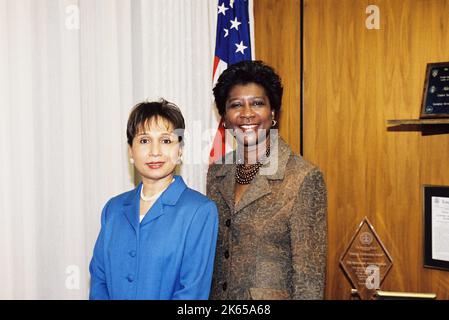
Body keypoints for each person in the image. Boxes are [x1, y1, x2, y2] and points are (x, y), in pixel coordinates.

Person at [207, 60, 327, 300]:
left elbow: (309, 280)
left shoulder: (303, 177)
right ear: (225, 118)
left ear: (273, 113)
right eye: (236, 105)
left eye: (258, 103)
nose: (247, 113)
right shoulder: (216, 172)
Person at [89, 99, 218, 300]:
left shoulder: (199, 211)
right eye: (144, 141)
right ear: (131, 151)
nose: (155, 151)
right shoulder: (113, 209)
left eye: (166, 141)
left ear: (180, 150)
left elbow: (192, 292)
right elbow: (99, 280)